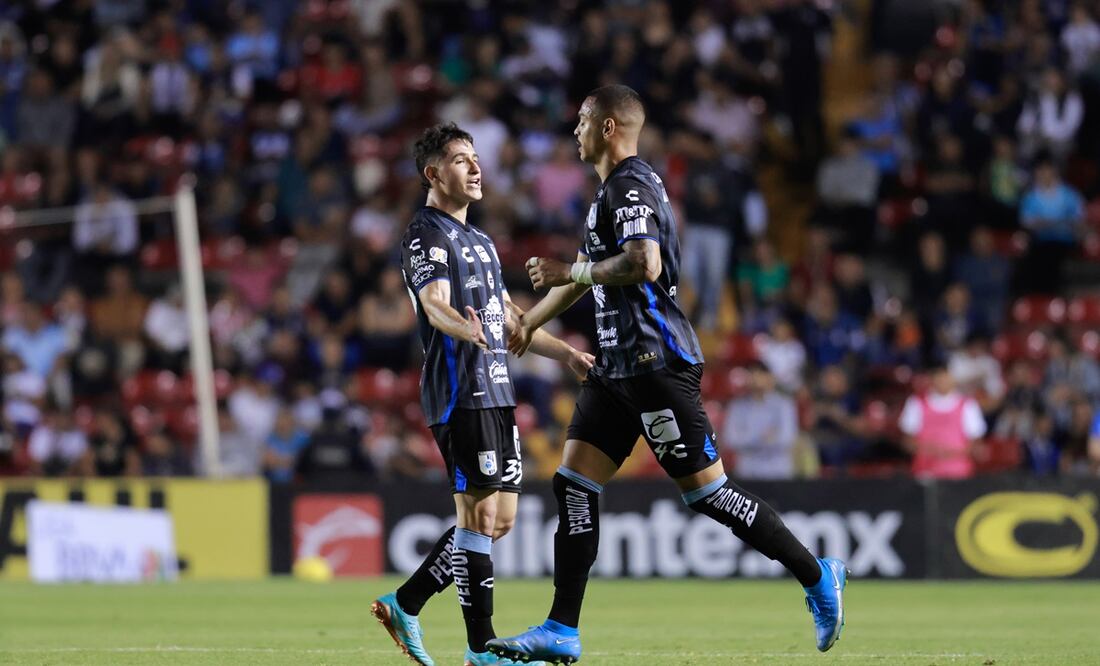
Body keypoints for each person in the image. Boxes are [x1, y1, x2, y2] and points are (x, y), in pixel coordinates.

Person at [490, 85, 848, 664]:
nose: (573, 131)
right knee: (575, 486)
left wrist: (570, 265)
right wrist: (528, 324)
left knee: (708, 495)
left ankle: (816, 573)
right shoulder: (607, 193)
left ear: (608, 127)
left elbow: (642, 263)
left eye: (582, 121)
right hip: (614, 368)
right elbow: (586, 280)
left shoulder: (630, 184)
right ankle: (561, 628)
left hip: (656, 363)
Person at [371, 123, 592, 666]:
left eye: (476, 158)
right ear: (433, 173)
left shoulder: (483, 240)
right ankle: (481, 651)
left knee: (502, 520)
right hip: (459, 390)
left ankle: (407, 601)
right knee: (476, 519)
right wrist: (461, 329)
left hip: (496, 389)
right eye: (461, 159)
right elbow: (434, 303)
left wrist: (565, 354)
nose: (475, 167)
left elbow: (511, 322)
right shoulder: (427, 233)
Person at [898, 364, 986, 480]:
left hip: (959, 473)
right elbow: (907, 441)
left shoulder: (968, 404)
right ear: (931, 379)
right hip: (924, 471)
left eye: (946, 377)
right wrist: (933, 451)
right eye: (939, 377)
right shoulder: (916, 402)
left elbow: (976, 442)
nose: (943, 382)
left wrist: (950, 454)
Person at [722, 361, 799, 479]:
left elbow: (787, 439)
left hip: (778, 471)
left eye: (760, 374)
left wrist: (747, 438)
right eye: (752, 374)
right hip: (748, 472)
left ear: (770, 377)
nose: (755, 378)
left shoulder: (784, 405)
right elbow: (731, 439)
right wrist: (761, 436)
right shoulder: (737, 406)